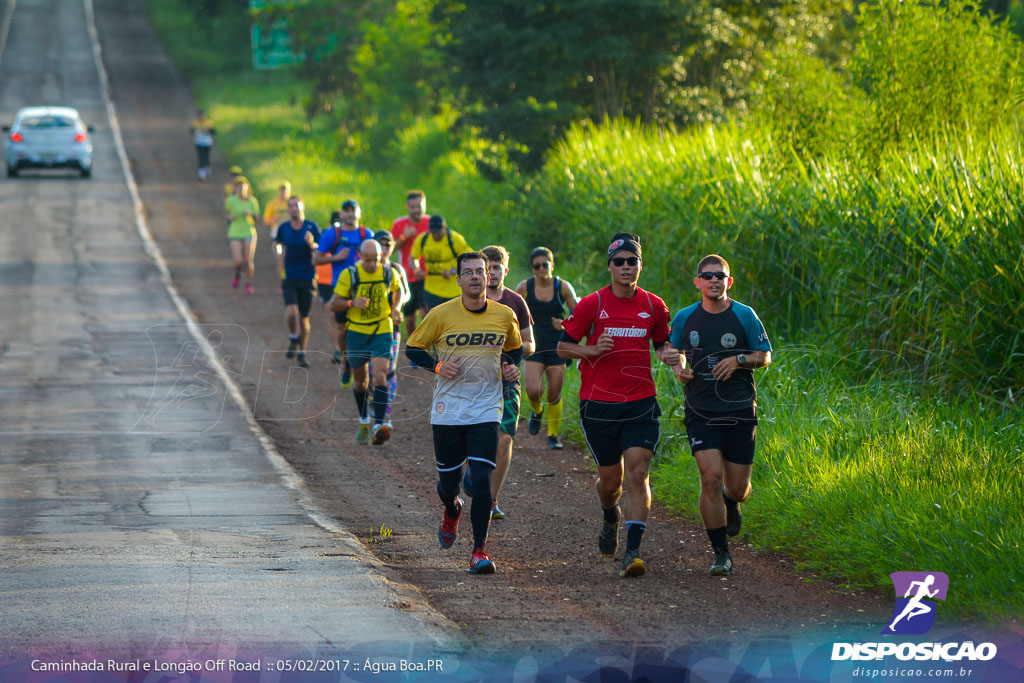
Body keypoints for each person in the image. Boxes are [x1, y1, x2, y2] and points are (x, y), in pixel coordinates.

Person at [557, 232, 680, 578]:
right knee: (611, 483)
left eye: (632, 261)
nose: (626, 267)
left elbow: (663, 346)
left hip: (640, 402)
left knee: (638, 473)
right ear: (610, 266)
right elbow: (563, 348)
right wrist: (591, 350)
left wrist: (677, 362)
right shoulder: (591, 304)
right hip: (598, 404)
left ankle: (633, 552)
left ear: (641, 265)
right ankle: (609, 514)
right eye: (619, 262)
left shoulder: (654, 305)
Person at [405, 252, 523, 575]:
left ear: (489, 277)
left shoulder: (504, 315)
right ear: (457, 279)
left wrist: (511, 367)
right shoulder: (441, 315)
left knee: (483, 481)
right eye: (468, 272)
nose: (474, 277)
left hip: (486, 407)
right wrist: (438, 366)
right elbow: (413, 348)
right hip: (448, 410)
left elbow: (515, 348)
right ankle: (451, 508)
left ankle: (479, 551)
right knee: (448, 485)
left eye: (480, 272)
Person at [668, 254, 772, 577]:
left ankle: (732, 500)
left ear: (729, 282)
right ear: (697, 282)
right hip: (701, 410)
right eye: (707, 275)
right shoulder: (686, 318)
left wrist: (739, 359)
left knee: (738, 487)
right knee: (709, 477)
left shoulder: (744, 315)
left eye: (720, 276)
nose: (714, 280)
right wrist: (679, 369)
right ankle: (721, 554)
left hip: (739, 408)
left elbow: (765, 355)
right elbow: (672, 352)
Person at [462, 245, 534, 520]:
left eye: (496, 267)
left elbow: (530, 343)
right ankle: (472, 470)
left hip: (506, 379)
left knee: (504, 439)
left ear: (505, 270)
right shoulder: (470, 300)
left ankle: (490, 500)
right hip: (473, 379)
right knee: (474, 435)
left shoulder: (516, 302)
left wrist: (512, 351)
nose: (491, 273)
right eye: (486, 268)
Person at [331, 239, 403, 446]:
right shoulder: (350, 275)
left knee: (380, 375)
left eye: (376, 260)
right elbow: (333, 304)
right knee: (360, 382)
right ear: (360, 257)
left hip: (382, 328)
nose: (373, 265)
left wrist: (395, 307)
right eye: (368, 260)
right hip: (356, 332)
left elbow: (397, 291)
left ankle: (378, 425)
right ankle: (364, 420)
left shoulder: (389, 273)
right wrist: (351, 302)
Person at [516, 247, 579, 450]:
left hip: (557, 345)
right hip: (533, 344)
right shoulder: (525, 287)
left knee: (554, 392)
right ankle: (537, 411)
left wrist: (564, 323)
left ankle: (553, 436)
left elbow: (579, 316)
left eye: (545, 264)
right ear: (532, 267)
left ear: (552, 265)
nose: (541, 268)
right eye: (537, 265)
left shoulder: (563, 287)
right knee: (534, 391)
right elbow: (512, 315)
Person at [316, 199, 371, 385]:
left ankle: (365, 367)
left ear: (359, 213)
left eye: (353, 210)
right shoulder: (332, 234)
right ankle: (347, 361)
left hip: (363, 289)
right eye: (346, 211)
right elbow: (316, 260)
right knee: (341, 328)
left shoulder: (366, 234)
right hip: (340, 288)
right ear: (341, 214)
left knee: (365, 328)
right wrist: (335, 257)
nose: (350, 214)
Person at [368, 230, 411, 432]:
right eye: (380, 244)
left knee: (388, 370)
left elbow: (406, 293)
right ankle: (372, 400)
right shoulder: (364, 270)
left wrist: (397, 307)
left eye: (388, 245)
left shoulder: (396, 269)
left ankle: (384, 413)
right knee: (371, 370)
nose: (384, 249)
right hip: (366, 327)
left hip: (390, 327)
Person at [274, 196, 320, 368]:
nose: (293, 209)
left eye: (296, 206)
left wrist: (312, 244)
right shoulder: (283, 228)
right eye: (290, 206)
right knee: (292, 310)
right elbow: (277, 244)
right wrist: (279, 257)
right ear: (288, 209)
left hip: (308, 278)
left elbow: (321, 248)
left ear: (303, 207)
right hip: (290, 277)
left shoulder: (312, 227)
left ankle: (302, 352)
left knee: (304, 318)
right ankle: (293, 336)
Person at [409, 214, 471, 312]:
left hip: (453, 291)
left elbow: (469, 260)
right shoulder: (423, 239)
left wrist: (453, 271)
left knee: (453, 322)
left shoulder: (455, 239)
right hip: (431, 290)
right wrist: (416, 270)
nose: (436, 235)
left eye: (438, 232)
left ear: (445, 228)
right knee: (434, 322)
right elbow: (412, 258)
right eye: (433, 232)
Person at [391, 190, 431, 337]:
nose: (416, 210)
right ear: (407, 207)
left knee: (427, 314)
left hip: (428, 276)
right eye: (412, 207)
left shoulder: (430, 223)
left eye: (419, 206)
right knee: (409, 318)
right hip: (407, 277)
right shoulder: (400, 224)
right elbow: (391, 248)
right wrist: (404, 237)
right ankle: (412, 346)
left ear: (424, 206)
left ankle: (429, 347)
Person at [224, 176, 259, 293]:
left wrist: (251, 214)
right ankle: (237, 274)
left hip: (249, 231)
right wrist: (231, 217)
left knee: (248, 260)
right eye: (238, 187)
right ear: (236, 188)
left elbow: (258, 219)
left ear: (247, 188)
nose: (241, 189)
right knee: (238, 261)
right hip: (235, 232)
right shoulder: (231, 200)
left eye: (243, 187)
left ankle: (248, 283)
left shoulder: (252, 201)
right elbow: (227, 214)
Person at [190, 110, 215, 181]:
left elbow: (213, 131)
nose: (202, 117)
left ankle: (207, 169)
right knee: (201, 157)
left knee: (206, 156)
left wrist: (207, 130)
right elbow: (191, 131)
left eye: (203, 116)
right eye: (200, 116)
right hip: (199, 143)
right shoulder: (195, 123)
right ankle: (201, 173)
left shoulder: (209, 123)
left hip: (207, 143)